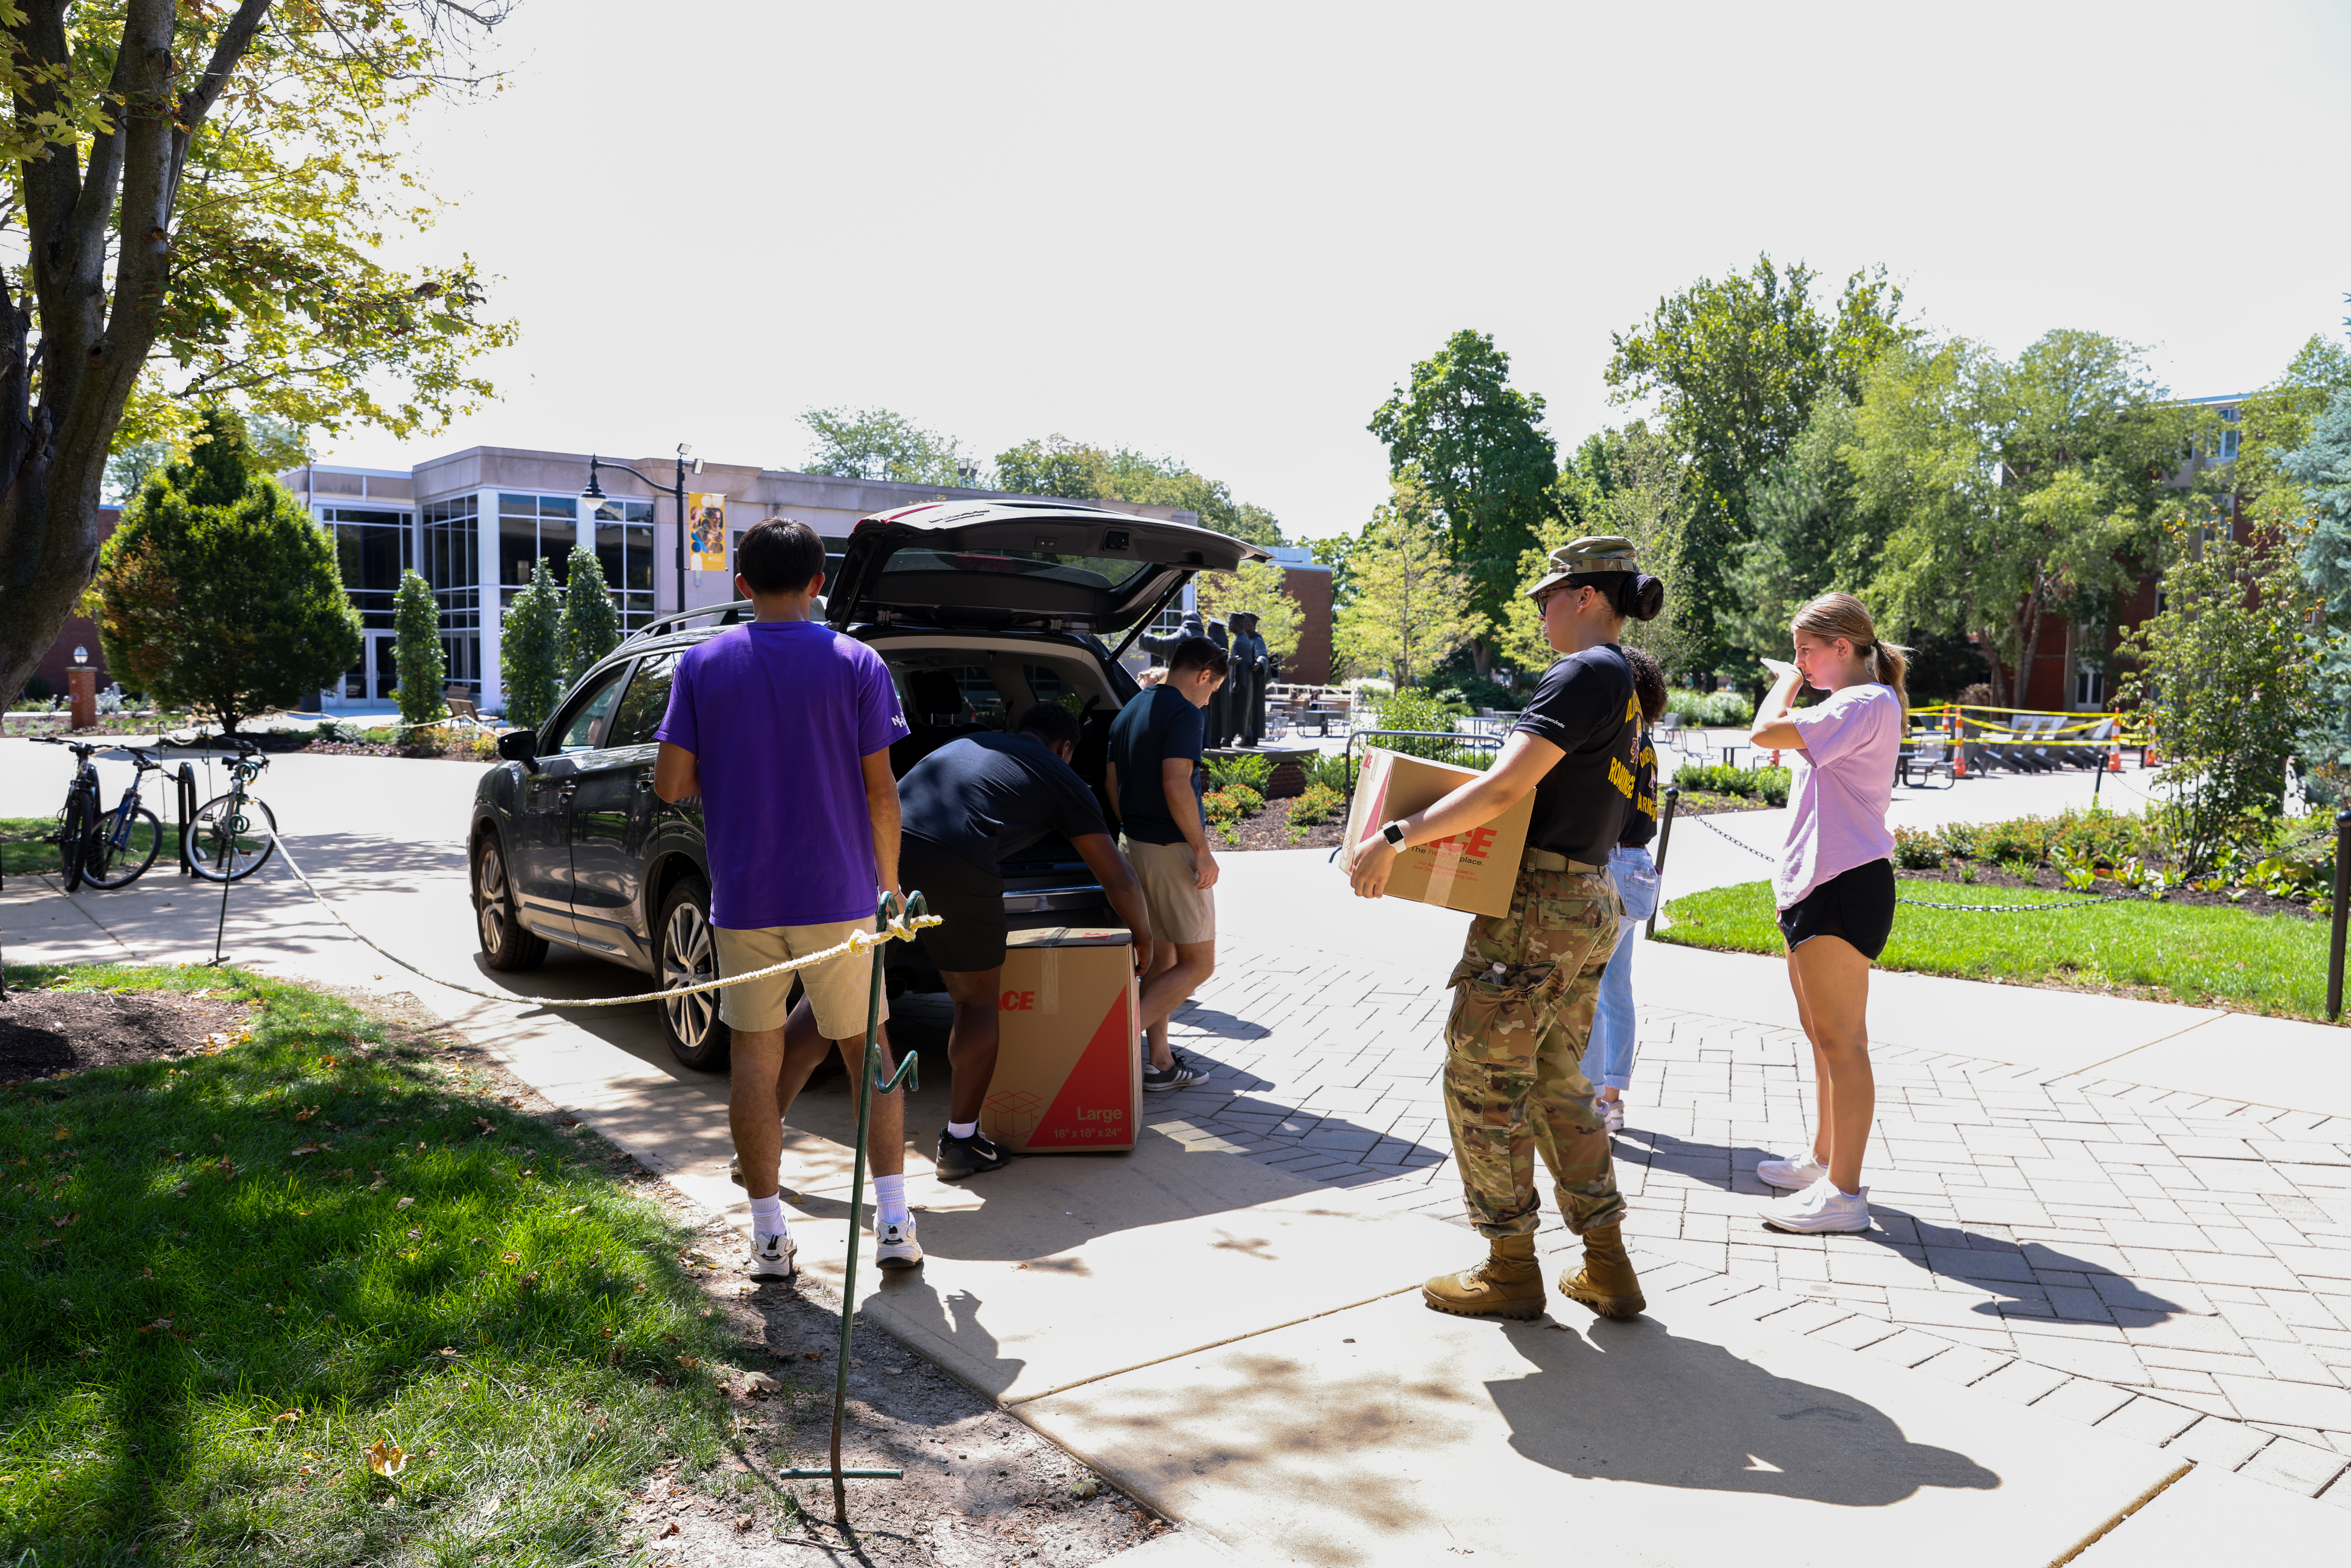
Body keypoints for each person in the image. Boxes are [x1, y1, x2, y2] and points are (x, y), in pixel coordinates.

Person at [1348, 536, 1665, 1324]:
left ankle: (1509, 1267)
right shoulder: (1623, 685)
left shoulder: (1586, 670)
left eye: (1546, 597)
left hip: (1538, 911)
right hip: (1586, 902)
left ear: (1586, 595)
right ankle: (1606, 1265)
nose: (1539, 612)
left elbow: (1502, 788)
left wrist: (1393, 837)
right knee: (1561, 1086)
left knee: (1482, 1083)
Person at [652, 517, 920, 1283]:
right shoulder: (856, 662)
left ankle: (769, 1237)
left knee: (753, 1061)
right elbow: (880, 790)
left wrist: (729, 771)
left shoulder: (702, 664)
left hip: (744, 897)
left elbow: (670, 784)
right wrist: (892, 883)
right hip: (840, 895)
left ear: (741, 585)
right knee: (869, 1053)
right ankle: (894, 1221)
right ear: (817, 583)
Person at [897, 702, 1159, 1177]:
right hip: (954, 854)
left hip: (882, 844)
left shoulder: (972, 744)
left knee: (847, 985)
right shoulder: (1057, 772)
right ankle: (961, 1142)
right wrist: (1144, 937)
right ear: (1066, 748)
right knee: (975, 1001)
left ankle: (764, 1133)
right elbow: (1117, 876)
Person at [1747, 592, 1908, 1235]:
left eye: (1806, 651)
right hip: (1819, 885)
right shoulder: (1851, 706)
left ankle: (1845, 1193)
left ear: (1844, 647)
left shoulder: (1864, 701)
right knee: (1825, 1037)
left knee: (1845, 1042)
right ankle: (1824, 1161)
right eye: (1795, 655)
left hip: (1845, 885)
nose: (1800, 662)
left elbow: (1764, 732)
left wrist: (1782, 685)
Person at [1103, 636, 1226, 1092]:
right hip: (1169, 848)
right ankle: (1098, 1045)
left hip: (1131, 845)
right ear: (1203, 675)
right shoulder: (1184, 713)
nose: (1209, 697)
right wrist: (1201, 849)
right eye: (1213, 689)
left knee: (1162, 958)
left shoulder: (1131, 709)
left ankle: (1159, 1063)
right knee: (1198, 963)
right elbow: (1177, 783)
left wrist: (1135, 829)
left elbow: (1111, 782)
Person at [1579, 646, 1667, 1134]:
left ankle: (1591, 1099)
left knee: (1587, 986)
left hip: (1610, 861)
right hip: (1638, 867)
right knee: (1616, 989)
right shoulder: (1648, 743)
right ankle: (1612, 1099)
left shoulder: (1620, 739)